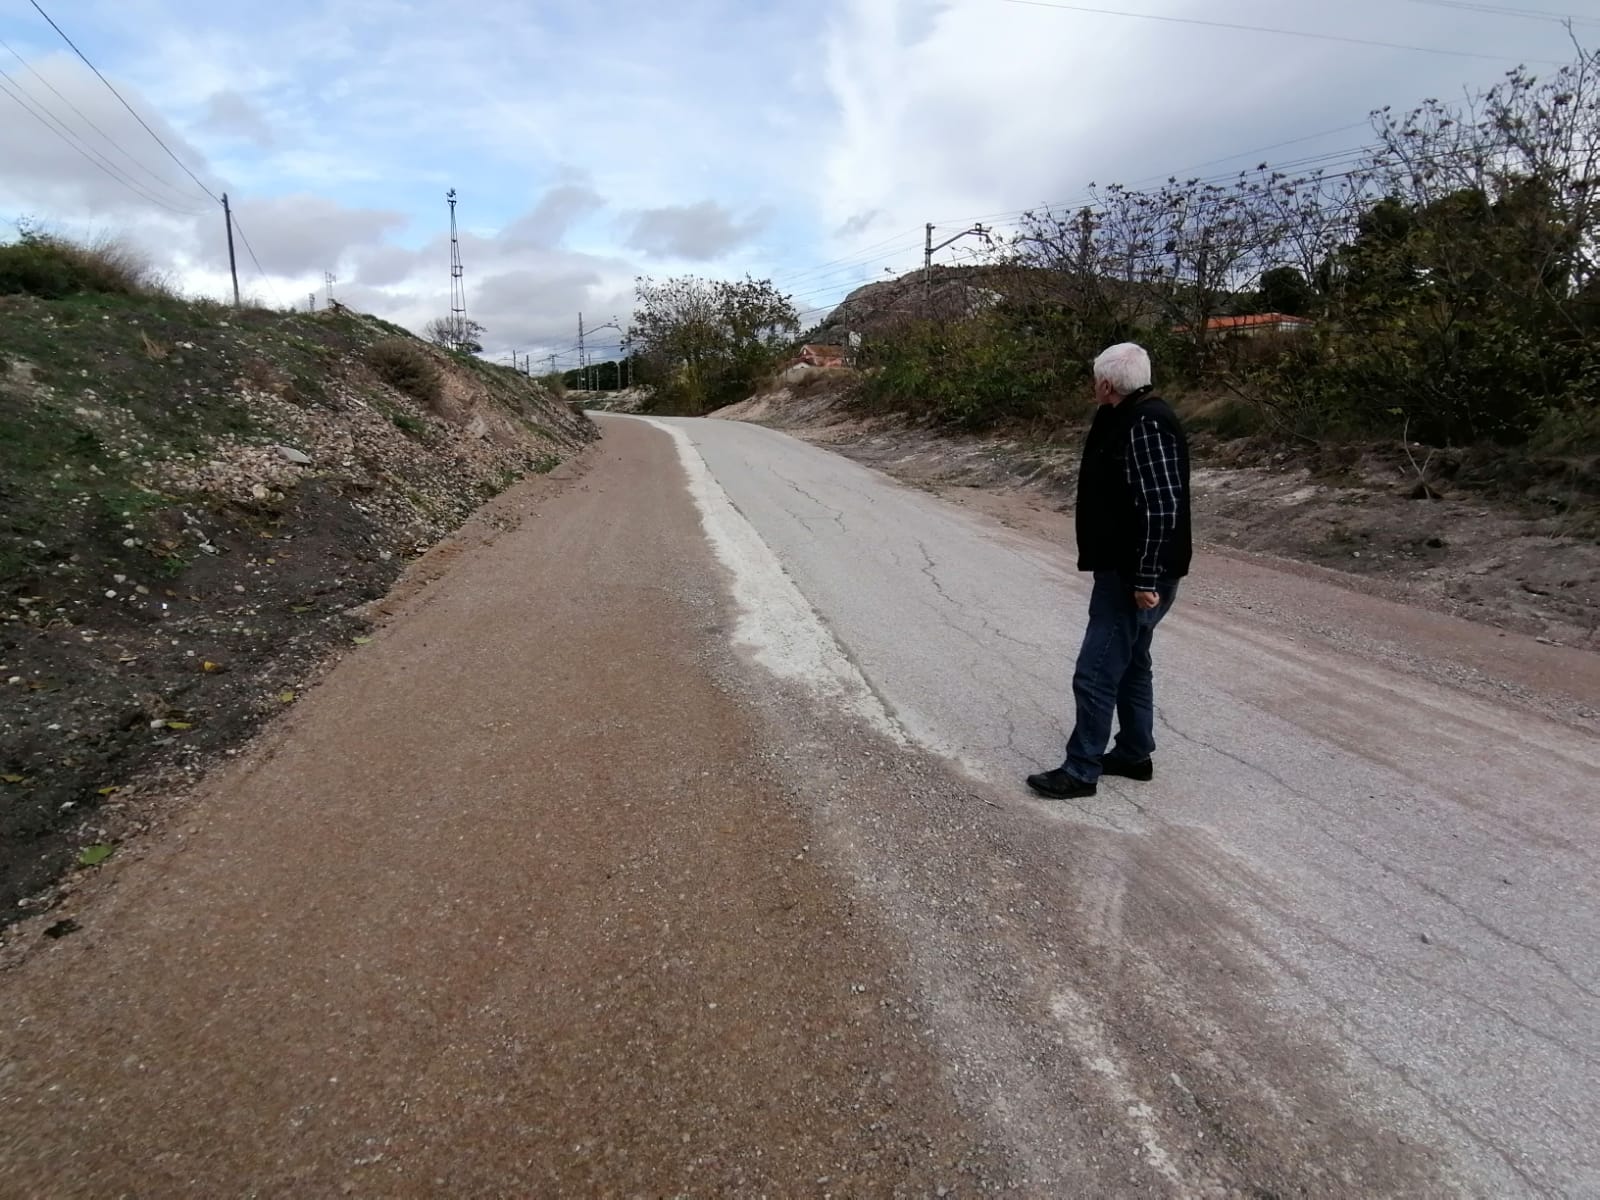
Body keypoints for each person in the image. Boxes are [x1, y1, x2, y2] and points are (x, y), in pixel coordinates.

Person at [1027, 342, 1191, 800]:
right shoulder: (1125, 414)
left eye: (1094, 378)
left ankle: (1081, 770)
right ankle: (1135, 753)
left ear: (1105, 382)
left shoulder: (1146, 422)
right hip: (1129, 569)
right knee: (1133, 662)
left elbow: (1160, 508)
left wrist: (1143, 578)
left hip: (1135, 573)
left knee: (1095, 671)